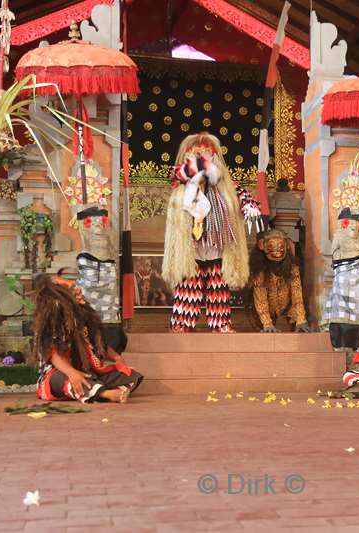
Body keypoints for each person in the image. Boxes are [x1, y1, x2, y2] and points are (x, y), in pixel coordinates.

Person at [162, 132, 262, 332]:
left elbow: (241, 195)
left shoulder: (227, 187)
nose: (202, 158)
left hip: (217, 246)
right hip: (192, 248)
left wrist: (250, 206)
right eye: (197, 155)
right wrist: (197, 175)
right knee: (188, 288)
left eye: (206, 154)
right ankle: (182, 323)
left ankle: (221, 323)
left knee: (218, 289)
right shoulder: (183, 184)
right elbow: (178, 181)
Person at [32, 274, 143, 403]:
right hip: (59, 374)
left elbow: (98, 343)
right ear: (58, 297)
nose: (78, 290)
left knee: (131, 375)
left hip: (88, 373)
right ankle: (105, 394)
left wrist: (117, 358)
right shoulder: (53, 321)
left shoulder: (83, 314)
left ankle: (93, 390)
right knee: (61, 379)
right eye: (71, 289)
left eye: (75, 286)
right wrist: (71, 372)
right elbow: (54, 355)